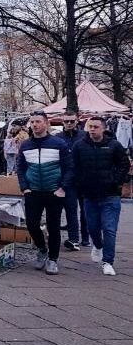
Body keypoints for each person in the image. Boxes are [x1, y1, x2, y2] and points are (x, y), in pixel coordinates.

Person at [72, 116, 130, 276]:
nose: (92, 129)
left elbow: (124, 164)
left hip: (110, 195)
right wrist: (80, 182)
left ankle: (108, 262)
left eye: (96, 126)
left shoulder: (114, 145)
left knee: (109, 229)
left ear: (103, 128)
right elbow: (74, 166)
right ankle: (97, 245)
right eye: (90, 126)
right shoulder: (79, 146)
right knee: (93, 228)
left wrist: (116, 181)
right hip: (89, 195)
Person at [18, 109, 73, 276]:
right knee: (31, 224)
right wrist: (24, 187)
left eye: (38, 122)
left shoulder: (59, 144)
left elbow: (69, 168)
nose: (34, 125)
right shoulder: (26, 145)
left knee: (54, 227)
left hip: (54, 192)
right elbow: (20, 168)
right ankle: (42, 249)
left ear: (46, 123)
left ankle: (53, 259)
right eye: (32, 122)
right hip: (33, 192)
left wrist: (62, 188)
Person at [58, 111, 87, 251]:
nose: (69, 124)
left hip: (84, 179)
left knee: (86, 210)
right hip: (67, 180)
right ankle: (74, 239)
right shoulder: (58, 138)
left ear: (77, 121)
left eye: (72, 121)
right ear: (62, 122)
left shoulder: (85, 136)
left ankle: (86, 238)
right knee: (71, 210)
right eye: (66, 121)